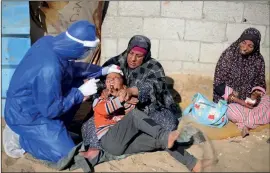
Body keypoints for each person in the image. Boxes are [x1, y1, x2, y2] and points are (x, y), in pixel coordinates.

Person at [4, 20, 121, 162]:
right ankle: (22, 138)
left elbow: (70, 69)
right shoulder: (50, 69)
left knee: (77, 82)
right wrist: (79, 93)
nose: (87, 53)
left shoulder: (48, 43)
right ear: (77, 46)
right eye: (87, 50)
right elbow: (51, 110)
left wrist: (102, 70)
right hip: (26, 115)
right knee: (66, 154)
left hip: (37, 100)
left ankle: (55, 130)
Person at [80, 71, 211, 172]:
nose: (110, 82)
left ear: (123, 82)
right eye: (108, 79)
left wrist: (126, 100)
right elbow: (105, 110)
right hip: (109, 141)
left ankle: (193, 163)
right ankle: (164, 135)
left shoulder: (127, 97)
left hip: (123, 144)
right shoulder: (100, 102)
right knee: (137, 116)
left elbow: (128, 120)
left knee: (162, 142)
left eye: (114, 78)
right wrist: (119, 100)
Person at [213, 28, 269, 137]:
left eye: (250, 46)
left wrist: (255, 95)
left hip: (248, 101)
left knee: (267, 102)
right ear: (240, 41)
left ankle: (247, 122)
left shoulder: (258, 59)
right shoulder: (229, 55)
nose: (245, 47)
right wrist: (237, 99)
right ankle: (246, 123)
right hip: (230, 101)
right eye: (244, 42)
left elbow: (260, 80)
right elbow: (219, 84)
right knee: (230, 111)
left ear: (255, 47)